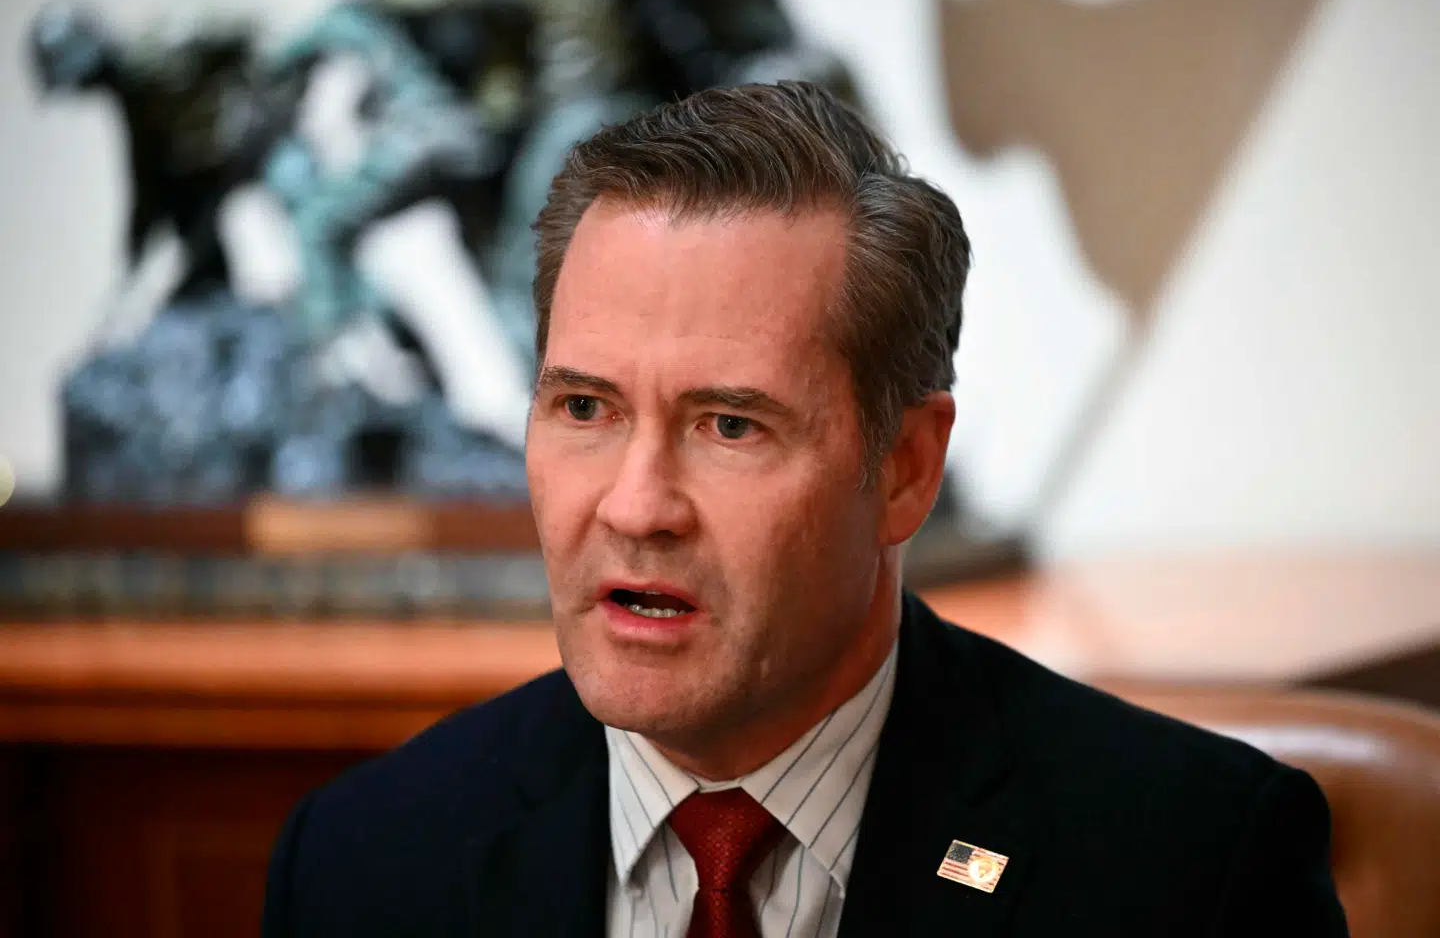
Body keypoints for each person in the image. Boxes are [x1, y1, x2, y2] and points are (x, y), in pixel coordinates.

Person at [262, 80, 1347, 936]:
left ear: (906, 468)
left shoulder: (1190, 868)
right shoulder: (364, 864)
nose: (636, 508)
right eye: (586, 408)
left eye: (730, 425)